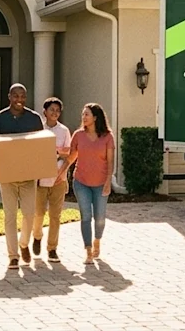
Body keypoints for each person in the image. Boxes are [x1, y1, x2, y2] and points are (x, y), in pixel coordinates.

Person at [0, 83, 45, 270]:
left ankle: (23, 243)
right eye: (16, 96)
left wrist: (42, 168)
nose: (19, 100)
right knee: (10, 216)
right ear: (9, 97)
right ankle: (13, 256)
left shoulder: (34, 118)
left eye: (22, 96)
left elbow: (41, 145)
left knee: (29, 214)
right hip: (7, 176)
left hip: (29, 176)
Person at [61, 103, 115, 265]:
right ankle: (88, 251)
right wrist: (62, 172)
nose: (83, 117)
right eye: (83, 114)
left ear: (95, 118)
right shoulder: (78, 135)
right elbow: (71, 157)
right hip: (81, 182)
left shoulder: (107, 137)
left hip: (100, 183)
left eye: (87, 114)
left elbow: (110, 162)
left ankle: (97, 239)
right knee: (85, 216)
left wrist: (108, 181)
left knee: (100, 218)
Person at [32, 97, 72, 264]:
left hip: (59, 178)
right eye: (52, 110)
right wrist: (56, 151)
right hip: (40, 179)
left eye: (57, 110)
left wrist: (62, 172)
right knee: (38, 213)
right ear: (45, 112)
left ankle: (52, 248)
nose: (54, 113)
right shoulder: (38, 129)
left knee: (55, 215)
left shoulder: (64, 131)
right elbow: (35, 151)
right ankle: (37, 236)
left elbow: (68, 153)